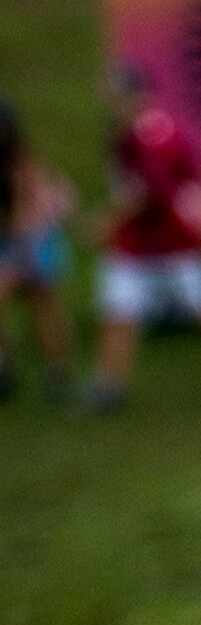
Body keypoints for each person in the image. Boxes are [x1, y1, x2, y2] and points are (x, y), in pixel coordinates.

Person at [88, 59, 201, 411]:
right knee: (118, 313)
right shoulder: (132, 134)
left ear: (136, 95)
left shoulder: (155, 136)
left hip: (171, 241)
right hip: (137, 244)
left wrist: (108, 219)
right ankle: (109, 385)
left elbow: (152, 191)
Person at [0, 97, 80, 402]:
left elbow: (24, 212)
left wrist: (21, 254)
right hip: (15, 237)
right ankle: (15, 365)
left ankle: (57, 372)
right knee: (37, 306)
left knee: (43, 306)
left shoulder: (22, 163)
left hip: (34, 239)